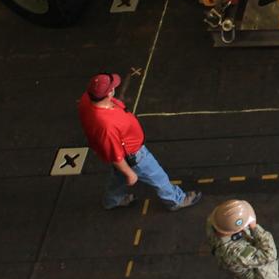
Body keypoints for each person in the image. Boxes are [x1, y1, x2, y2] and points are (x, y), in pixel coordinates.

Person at [77, 72, 201, 211]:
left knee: (118, 177)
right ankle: (176, 200)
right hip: (134, 155)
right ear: (109, 93)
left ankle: (112, 200)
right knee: (158, 177)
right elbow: (116, 156)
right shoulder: (106, 126)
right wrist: (130, 174)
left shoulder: (86, 99)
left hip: (119, 150)